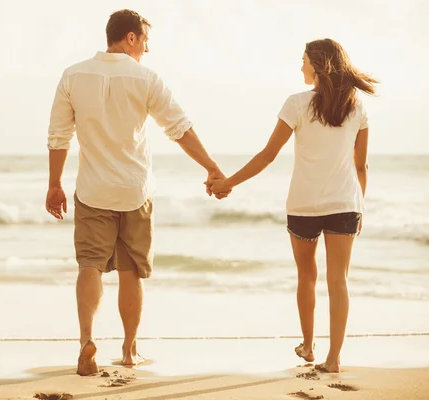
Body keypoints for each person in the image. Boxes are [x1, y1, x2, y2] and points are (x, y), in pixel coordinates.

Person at [46, 9, 227, 376]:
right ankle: (129, 351)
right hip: (134, 191)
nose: (147, 48)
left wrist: (54, 184)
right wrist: (210, 166)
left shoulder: (73, 74)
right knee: (131, 272)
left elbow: (58, 136)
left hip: (93, 190)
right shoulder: (145, 78)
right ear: (130, 38)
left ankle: (86, 341)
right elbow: (179, 129)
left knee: (90, 265)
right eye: (144, 40)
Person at [207, 38, 378, 373]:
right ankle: (333, 359)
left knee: (306, 276)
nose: (300, 66)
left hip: (303, 205)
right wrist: (360, 206)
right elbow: (361, 167)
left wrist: (228, 183)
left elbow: (267, 155)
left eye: (303, 60)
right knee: (338, 280)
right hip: (345, 203)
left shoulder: (297, 103)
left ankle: (309, 346)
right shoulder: (357, 107)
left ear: (317, 64)